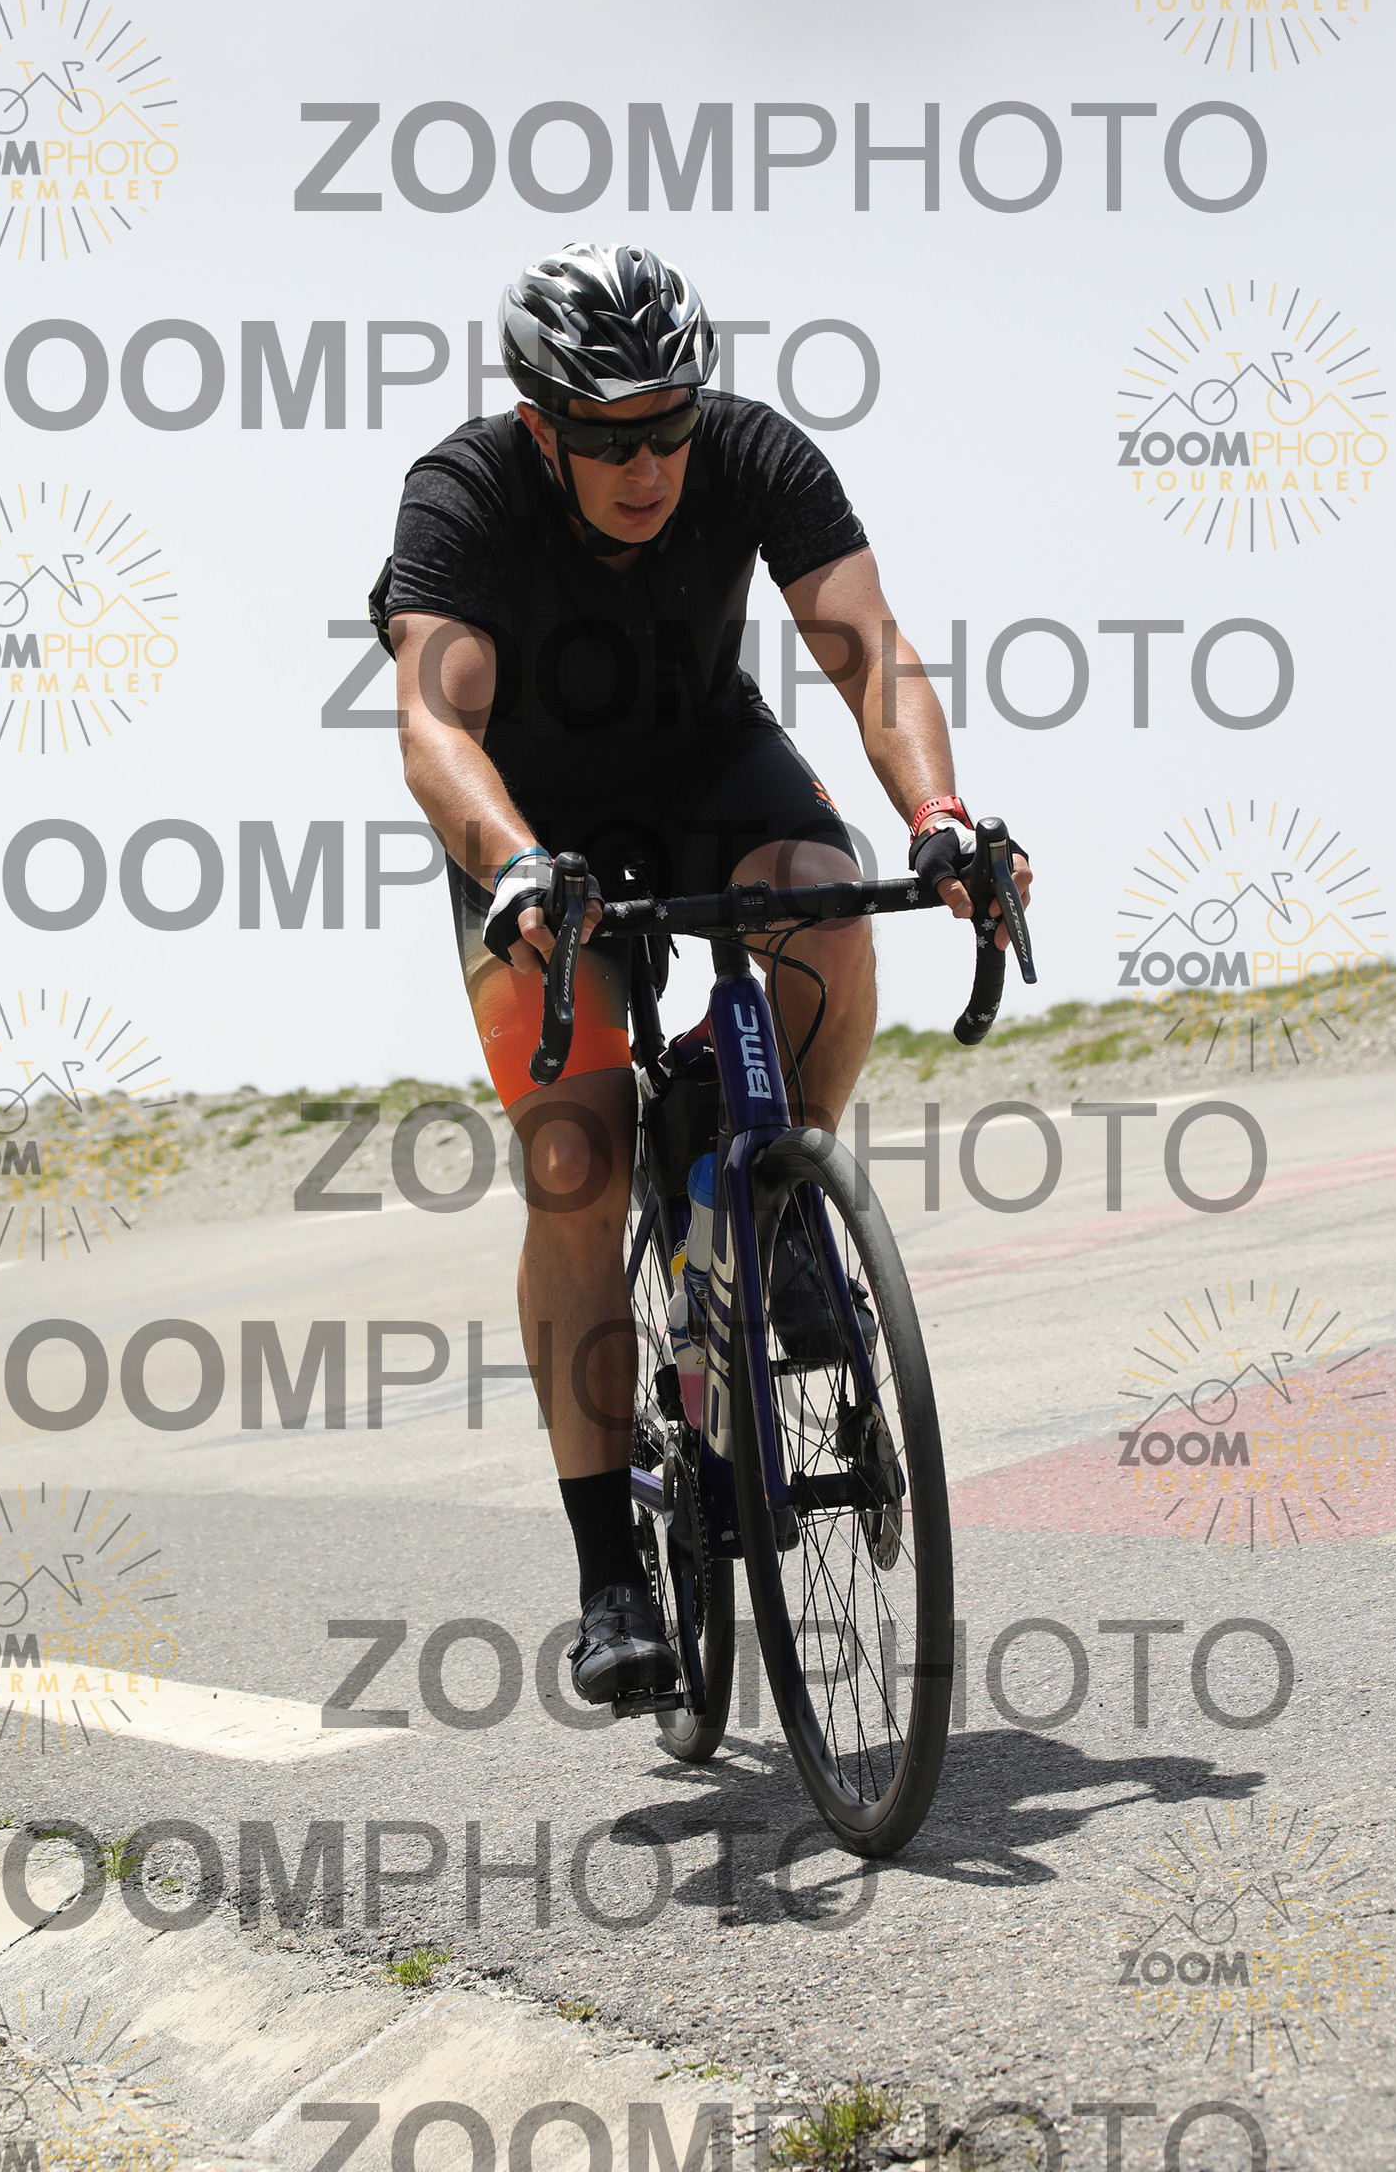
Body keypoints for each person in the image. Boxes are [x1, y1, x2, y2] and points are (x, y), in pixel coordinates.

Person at [371, 242, 1029, 1707]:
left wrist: (940, 818)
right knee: (576, 1155)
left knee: (829, 917)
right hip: (529, 827)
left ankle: (781, 1193)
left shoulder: (750, 455)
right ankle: (611, 1574)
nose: (650, 464)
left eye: (669, 425)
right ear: (541, 425)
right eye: (610, 437)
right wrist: (515, 863)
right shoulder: (465, 494)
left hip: (704, 769)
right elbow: (434, 725)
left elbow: (868, 652)